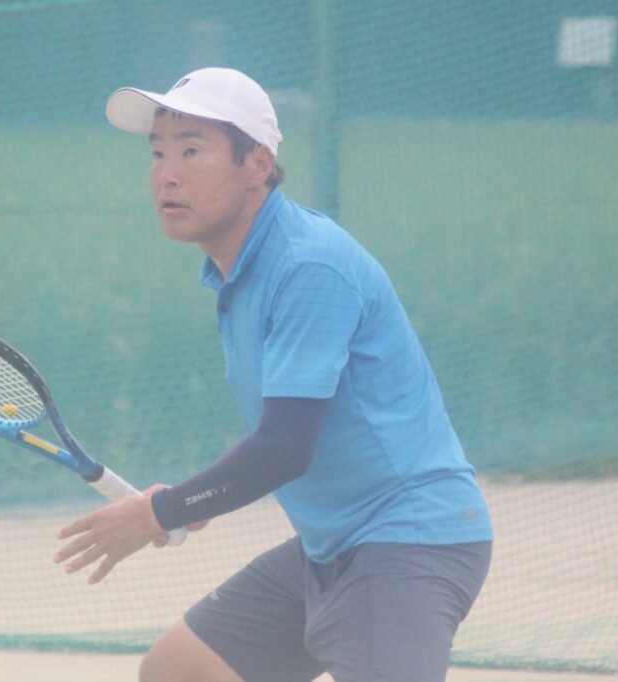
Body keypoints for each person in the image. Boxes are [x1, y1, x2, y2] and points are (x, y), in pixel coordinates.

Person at [53, 67, 494, 682]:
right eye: (157, 153)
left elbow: (284, 446)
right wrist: (190, 502)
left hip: (407, 543)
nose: (167, 174)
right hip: (329, 549)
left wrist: (164, 511)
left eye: (191, 151)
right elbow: (284, 437)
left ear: (257, 164)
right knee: (177, 672)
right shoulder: (242, 270)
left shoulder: (308, 266)